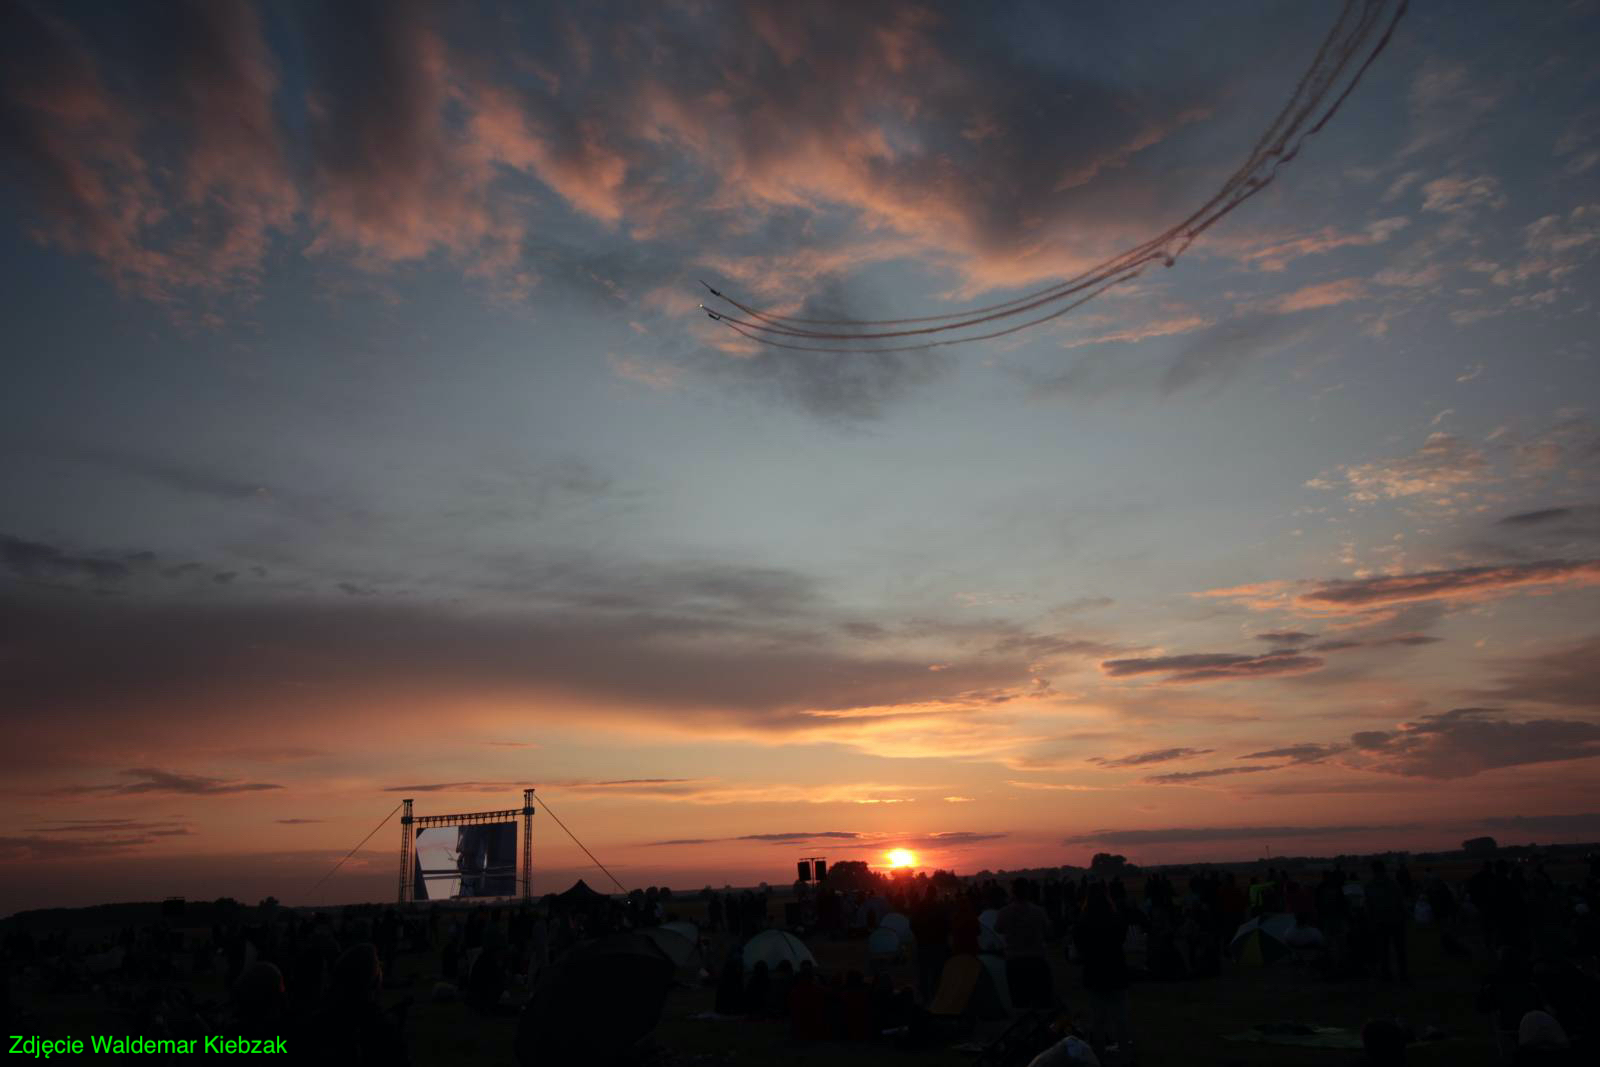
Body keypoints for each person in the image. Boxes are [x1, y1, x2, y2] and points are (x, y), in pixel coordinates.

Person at [1075, 885, 1133, 1065]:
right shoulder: (1117, 920)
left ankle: (1098, 1054)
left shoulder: (1082, 922)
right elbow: (1122, 940)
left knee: (1098, 1018)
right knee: (1120, 1017)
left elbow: (1080, 949)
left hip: (1094, 972)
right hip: (1115, 969)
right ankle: (1125, 1052)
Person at [998, 878, 1054, 1009]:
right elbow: (1049, 933)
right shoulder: (1039, 912)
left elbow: (998, 928)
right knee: (1040, 1004)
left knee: (1019, 1004)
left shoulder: (1004, 912)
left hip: (1014, 961)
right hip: (1036, 959)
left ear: (1013, 892)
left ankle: (1024, 1028)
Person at [1365, 860, 1407, 981]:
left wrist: (1371, 921)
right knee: (1399, 951)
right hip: (1395, 921)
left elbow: (1369, 907)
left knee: (1383, 951)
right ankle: (1403, 975)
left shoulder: (1369, 886)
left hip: (1380, 922)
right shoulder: (1393, 884)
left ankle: (1387, 976)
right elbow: (1400, 902)